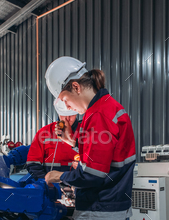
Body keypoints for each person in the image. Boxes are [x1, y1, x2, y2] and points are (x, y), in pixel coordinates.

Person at [44, 56, 136, 220]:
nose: (66, 107)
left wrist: (57, 176)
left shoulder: (98, 115)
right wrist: (73, 142)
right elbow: (105, 154)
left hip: (100, 209)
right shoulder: (104, 107)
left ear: (76, 87)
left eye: (65, 99)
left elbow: (91, 174)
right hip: (110, 206)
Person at [26, 99, 80, 179]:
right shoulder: (43, 133)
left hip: (78, 185)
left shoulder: (87, 132)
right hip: (50, 185)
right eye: (64, 115)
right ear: (58, 113)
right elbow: (33, 163)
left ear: (77, 113)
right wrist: (45, 180)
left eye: (71, 115)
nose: (67, 119)